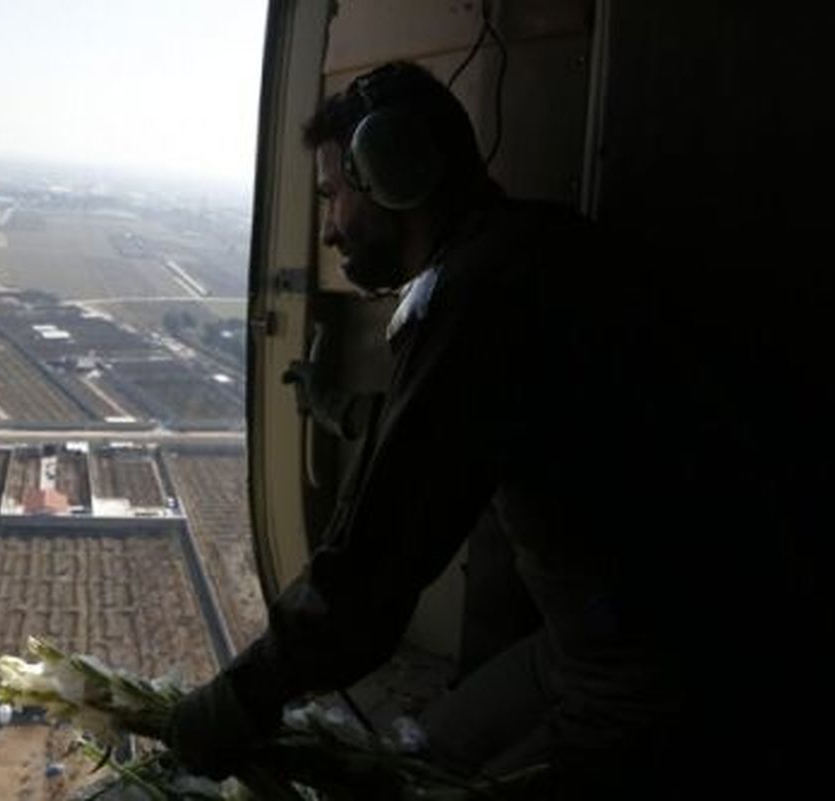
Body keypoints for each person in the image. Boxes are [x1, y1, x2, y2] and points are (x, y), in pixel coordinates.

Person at [165, 61, 792, 799]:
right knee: (417, 749)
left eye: (334, 195)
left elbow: (379, 555)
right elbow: (456, 439)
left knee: (417, 772)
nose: (330, 227)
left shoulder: (478, 294)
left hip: (655, 669)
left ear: (395, 173)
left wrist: (241, 693)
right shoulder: (531, 249)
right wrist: (336, 410)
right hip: (604, 639)